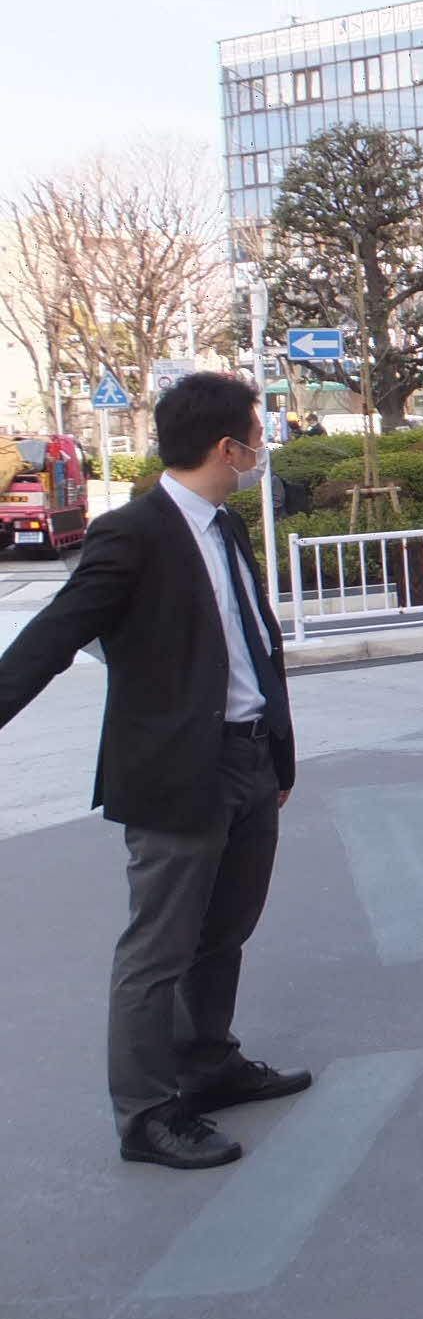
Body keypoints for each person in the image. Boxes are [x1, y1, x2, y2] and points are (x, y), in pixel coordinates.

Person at [0, 372, 306, 1169]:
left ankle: (207, 1067)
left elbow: (252, 643)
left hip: (246, 759)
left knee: (224, 934)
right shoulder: (133, 532)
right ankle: (146, 1115)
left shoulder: (226, 527)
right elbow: (55, 633)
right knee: (156, 952)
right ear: (225, 446)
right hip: (176, 774)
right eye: (254, 433)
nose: (261, 446)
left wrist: (275, 749)